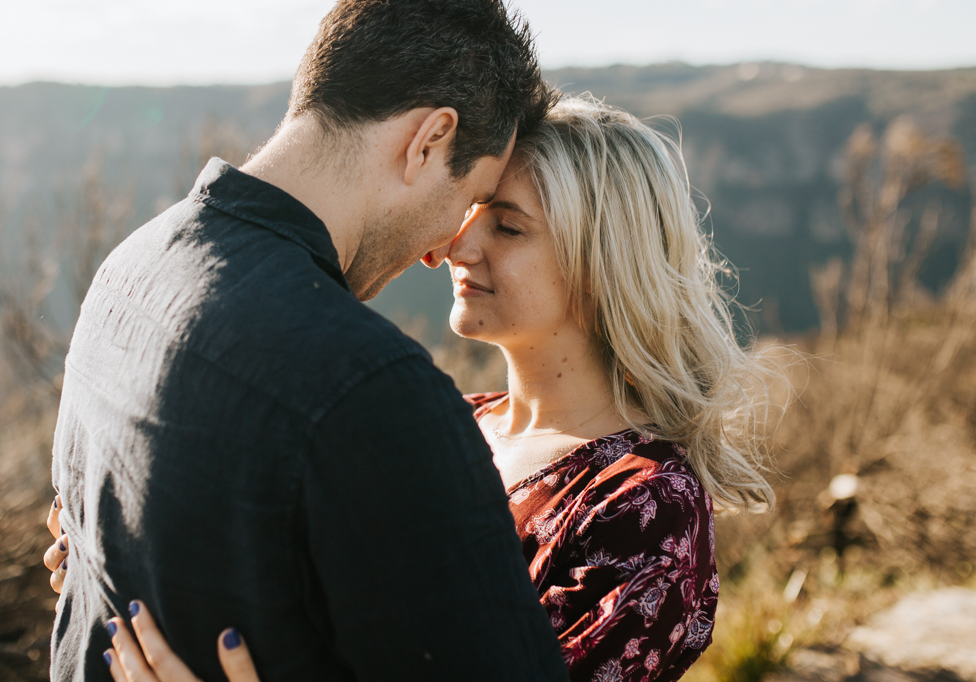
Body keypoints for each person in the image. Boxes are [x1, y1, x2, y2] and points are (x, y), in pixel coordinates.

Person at [49, 96, 778, 682]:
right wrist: (121, 551)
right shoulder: (446, 423)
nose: (457, 246)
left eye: (510, 227)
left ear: (603, 263)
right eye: (470, 214)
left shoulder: (643, 505)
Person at [48, 0, 569, 681]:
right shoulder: (371, 392)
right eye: (470, 196)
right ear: (428, 140)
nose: (440, 249)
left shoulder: (126, 272)